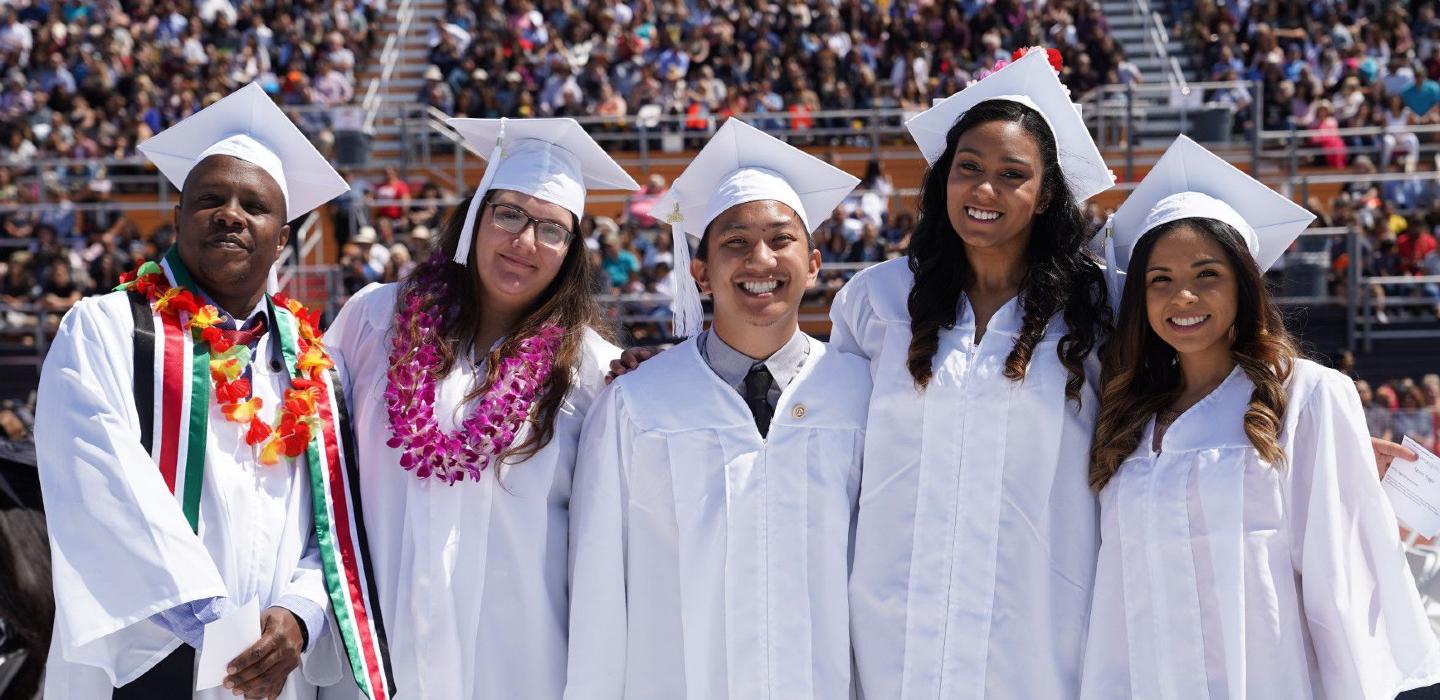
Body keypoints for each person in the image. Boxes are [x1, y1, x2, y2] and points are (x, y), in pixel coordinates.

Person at [34, 83, 393, 699]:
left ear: (283, 239)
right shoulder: (108, 328)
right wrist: (222, 631)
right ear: (178, 217)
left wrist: (301, 618)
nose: (230, 213)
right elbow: (103, 488)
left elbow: (333, 518)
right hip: (149, 657)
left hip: (280, 672)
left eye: (254, 205)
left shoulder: (313, 365)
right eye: (209, 199)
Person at [1083, 135, 1440, 698]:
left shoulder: (1308, 396)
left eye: (1207, 274)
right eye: (1160, 280)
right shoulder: (1125, 414)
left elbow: (1337, 584)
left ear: (1244, 286)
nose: (1183, 297)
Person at [320, 117, 639, 699]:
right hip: (374, 659)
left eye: (551, 228)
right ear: (474, 217)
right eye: (509, 214)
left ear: (570, 253)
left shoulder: (594, 372)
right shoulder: (376, 320)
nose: (525, 242)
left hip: (518, 667)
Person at [832, 48, 1116, 699]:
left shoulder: (1097, 311)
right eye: (969, 168)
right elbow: (818, 442)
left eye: (1011, 174)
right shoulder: (875, 302)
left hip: (1041, 644)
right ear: (944, 179)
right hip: (891, 638)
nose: (984, 189)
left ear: (1045, 196)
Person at [565, 118, 870, 698]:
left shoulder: (862, 394)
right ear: (700, 272)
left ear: (813, 264)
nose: (760, 259)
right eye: (734, 242)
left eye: (782, 239)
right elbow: (600, 587)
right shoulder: (637, 403)